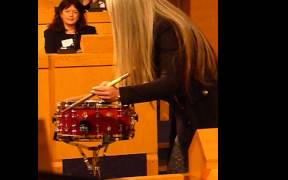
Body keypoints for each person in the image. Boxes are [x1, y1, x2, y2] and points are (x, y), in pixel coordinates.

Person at [90, 0, 218, 173]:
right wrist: (119, 86)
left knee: (196, 170)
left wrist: (120, 93)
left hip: (204, 112)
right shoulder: (162, 25)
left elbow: (170, 83)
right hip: (190, 110)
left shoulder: (168, 27)